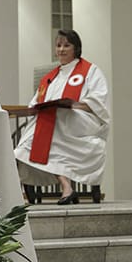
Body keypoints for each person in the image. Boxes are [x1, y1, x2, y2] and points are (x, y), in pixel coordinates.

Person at [14, 29, 110, 205]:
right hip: (55, 120)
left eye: (67, 45)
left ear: (76, 48)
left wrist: (73, 105)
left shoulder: (90, 71)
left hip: (82, 120)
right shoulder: (50, 77)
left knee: (48, 124)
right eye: (58, 45)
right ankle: (66, 186)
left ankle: (18, 157)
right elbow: (35, 102)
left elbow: (99, 102)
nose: (61, 49)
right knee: (44, 124)